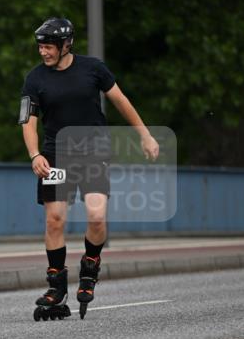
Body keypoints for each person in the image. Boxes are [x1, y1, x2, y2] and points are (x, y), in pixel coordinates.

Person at [18, 16, 160, 319]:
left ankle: (89, 269)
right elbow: (27, 120)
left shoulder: (92, 68)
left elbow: (120, 100)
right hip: (56, 155)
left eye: (49, 47)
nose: (43, 52)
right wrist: (34, 155)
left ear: (66, 44)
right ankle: (56, 285)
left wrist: (145, 135)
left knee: (96, 216)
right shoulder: (35, 79)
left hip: (93, 153)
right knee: (55, 219)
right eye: (40, 47)